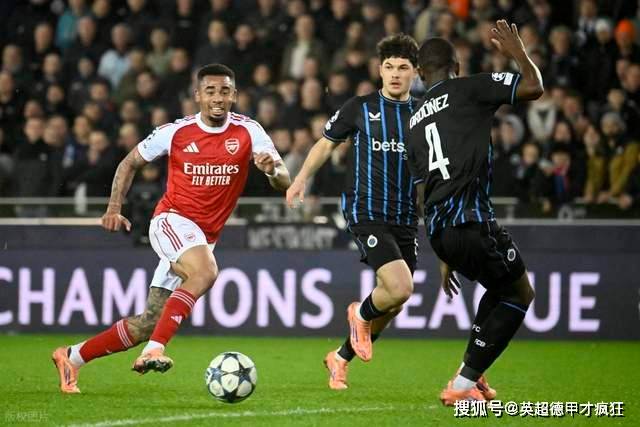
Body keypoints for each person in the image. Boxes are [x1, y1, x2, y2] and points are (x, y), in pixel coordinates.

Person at [51, 64, 291, 393]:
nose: (218, 98)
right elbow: (129, 163)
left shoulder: (249, 131)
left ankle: (72, 357)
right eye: (210, 91)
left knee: (149, 322)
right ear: (198, 96)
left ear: (234, 95)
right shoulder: (175, 132)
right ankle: (155, 351)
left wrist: (272, 170)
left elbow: (284, 181)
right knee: (205, 272)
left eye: (224, 91)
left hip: (202, 238)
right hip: (171, 221)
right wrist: (114, 207)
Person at [407, 20, 543, 405]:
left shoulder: (413, 123)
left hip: (441, 231)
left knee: (498, 288)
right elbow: (533, 87)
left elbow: (422, 192)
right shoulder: (468, 88)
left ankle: (471, 373)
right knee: (519, 293)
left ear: (420, 74)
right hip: (471, 220)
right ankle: (462, 385)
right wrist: (518, 53)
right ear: (457, 66)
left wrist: (443, 253)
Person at [286, 34, 420, 390]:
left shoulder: (423, 113)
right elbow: (325, 144)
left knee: (393, 303)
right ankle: (359, 313)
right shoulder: (359, 107)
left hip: (406, 217)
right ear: (380, 70)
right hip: (367, 211)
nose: (395, 74)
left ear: (415, 72)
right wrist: (301, 179)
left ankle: (340, 358)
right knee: (400, 287)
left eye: (403, 67)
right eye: (389, 67)